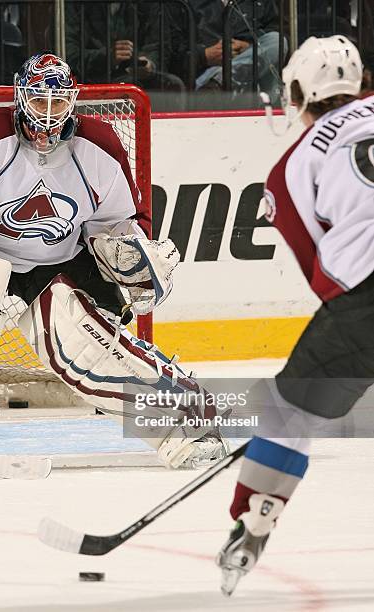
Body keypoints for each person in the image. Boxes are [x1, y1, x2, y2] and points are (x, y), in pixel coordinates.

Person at [0, 52, 227, 469]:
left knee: (80, 347)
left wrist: (131, 257)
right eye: (39, 101)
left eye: (58, 103)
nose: (48, 114)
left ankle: (186, 417)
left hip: (56, 263)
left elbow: (118, 221)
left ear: (72, 102)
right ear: (21, 97)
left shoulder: (99, 145)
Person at [216, 35, 371, 595]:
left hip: (366, 304)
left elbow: (320, 268)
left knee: (286, 413)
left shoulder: (294, 165)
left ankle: (254, 519)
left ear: (302, 90)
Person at [65, 2, 185, 92]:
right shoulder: (74, 5)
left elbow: (157, 46)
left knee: (173, 84)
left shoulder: (148, 4)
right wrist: (106, 57)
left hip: (134, 76)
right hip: (89, 78)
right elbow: (67, 55)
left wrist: (149, 63)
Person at [190, 0, 284, 99]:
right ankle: (218, 84)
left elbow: (281, 35)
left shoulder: (264, 2)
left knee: (277, 39)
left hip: (251, 77)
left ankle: (220, 82)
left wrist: (250, 48)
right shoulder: (187, 3)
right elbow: (176, 51)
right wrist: (203, 55)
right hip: (207, 76)